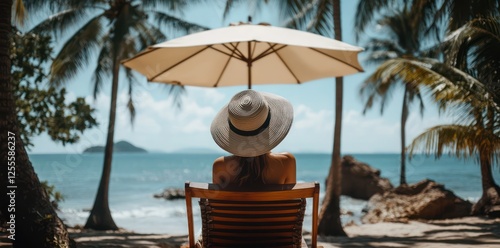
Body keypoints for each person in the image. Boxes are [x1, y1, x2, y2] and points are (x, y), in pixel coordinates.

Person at [210, 89, 296, 187]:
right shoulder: (286, 163)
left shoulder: (220, 167)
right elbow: (293, 200)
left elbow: (216, 200)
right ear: (270, 127)